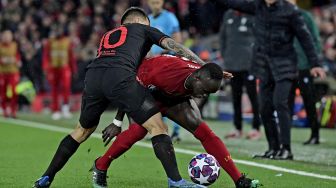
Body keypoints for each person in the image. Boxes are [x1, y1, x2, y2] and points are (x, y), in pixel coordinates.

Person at [33, 7, 208, 188]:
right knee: (158, 126)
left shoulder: (109, 35)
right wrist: (203, 66)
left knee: (81, 131)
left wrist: (118, 121)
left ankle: (46, 177)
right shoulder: (144, 29)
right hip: (120, 77)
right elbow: (176, 47)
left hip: (93, 76)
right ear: (141, 22)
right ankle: (176, 181)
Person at [93, 55, 261, 188]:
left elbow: (196, 63)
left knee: (202, 129)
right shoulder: (162, 73)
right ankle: (100, 166)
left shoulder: (201, 74)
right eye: (204, 90)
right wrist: (117, 121)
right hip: (143, 90)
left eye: (210, 93)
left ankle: (239, 180)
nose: (204, 96)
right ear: (197, 79)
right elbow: (129, 89)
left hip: (172, 96)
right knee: (139, 130)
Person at [211, 0, 326, 160]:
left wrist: (315, 63)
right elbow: (233, 3)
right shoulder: (257, 6)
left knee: (280, 103)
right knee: (264, 107)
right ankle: (273, 148)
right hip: (263, 66)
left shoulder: (290, 11)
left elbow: (305, 37)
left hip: (285, 64)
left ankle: (286, 149)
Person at [219, 10, 261, 140]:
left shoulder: (252, 14)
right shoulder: (228, 14)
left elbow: (259, 38)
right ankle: (238, 128)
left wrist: (256, 60)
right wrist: (225, 57)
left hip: (249, 65)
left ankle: (256, 128)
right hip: (232, 64)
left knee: (253, 96)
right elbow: (223, 37)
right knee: (235, 97)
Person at [287, 0, 322, 145]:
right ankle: (285, 137)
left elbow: (315, 40)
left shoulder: (305, 16)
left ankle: (315, 134)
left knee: (309, 100)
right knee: (285, 102)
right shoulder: (280, 16)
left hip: (304, 66)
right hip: (286, 66)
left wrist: (313, 63)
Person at [147, 0, 183, 141]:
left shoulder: (170, 17)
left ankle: (176, 131)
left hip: (167, 64)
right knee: (155, 98)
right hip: (152, 65)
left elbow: (177, 41)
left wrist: (162, 53)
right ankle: (161, 129)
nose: (155, 2)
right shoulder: (148, 19)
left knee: (171, 98)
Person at [42, 26, 77, 120]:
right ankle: (56, 110)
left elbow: (71, 56)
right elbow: (46, 55)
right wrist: (45, 67)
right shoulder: (50, 42)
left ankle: (65, 109)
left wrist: (74, 69)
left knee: (66, 87)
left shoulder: (67, 41)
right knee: (54, 89)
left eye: (59, 30)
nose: (57, 32)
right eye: (56, 30)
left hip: (64, 67)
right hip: (53, 68)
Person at [0, 30, 21, 118]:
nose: (7, 38)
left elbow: (18, 56)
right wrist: (2, 61)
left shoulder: (14, 45)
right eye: (5, 36)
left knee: (14, 91)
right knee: (3, 92)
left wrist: (17, 61)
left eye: (9, 36)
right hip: (3, 72)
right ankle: (5, 110)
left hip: (13, 72)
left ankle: (13, 111)